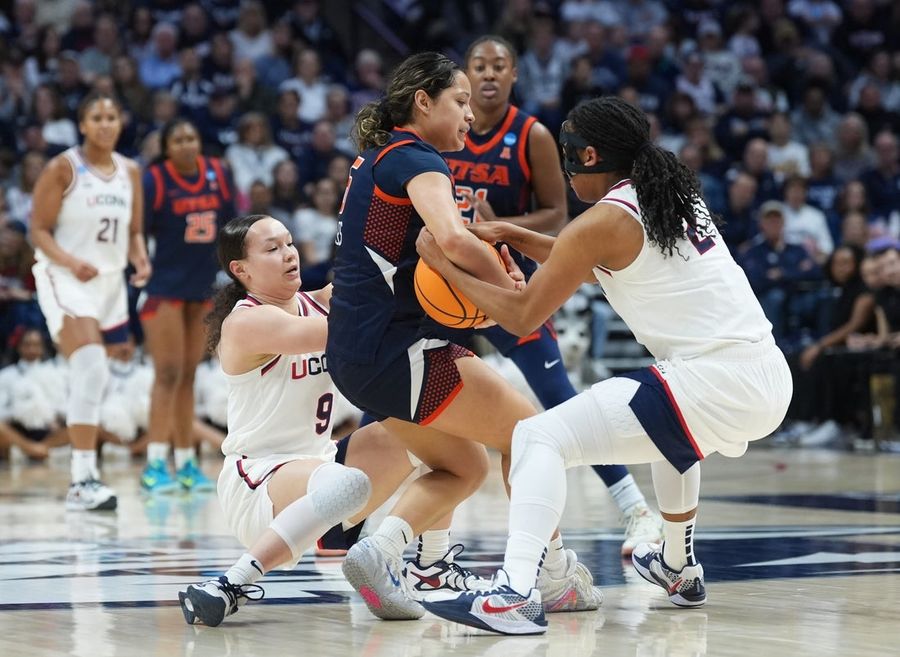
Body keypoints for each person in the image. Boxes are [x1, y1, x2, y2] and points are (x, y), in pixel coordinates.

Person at [419, 96, 792, 635]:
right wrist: (515, 234)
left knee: (536, 438)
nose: (567, 169)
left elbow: (524, 317)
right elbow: (610, 267)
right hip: (763, 375)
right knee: (670, 431)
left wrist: (443, 269)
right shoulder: (670, 192)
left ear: (589, 156)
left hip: (713, 380)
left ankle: (515, 593)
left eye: (569, 155)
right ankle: (678, 566)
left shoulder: (605, 219)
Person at [326, 52, 602, 623]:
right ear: (422, 102)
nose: (470, 117)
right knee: (531, 435)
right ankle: (549, 577)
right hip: (399, 349)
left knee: (465, 467)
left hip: (356, 356)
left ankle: (379, 553)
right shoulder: (416, 157)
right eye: (460, 101)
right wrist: (506, 278)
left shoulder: (376, 158)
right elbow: (451, 239)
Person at [177, 214, 461, 626]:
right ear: (241, 270)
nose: (288, 254)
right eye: (272, 249)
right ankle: (231, 584)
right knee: (345, 483)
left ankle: (431, 567)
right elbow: (346, 328)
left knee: (436, 437)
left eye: (289, 243)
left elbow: (380, 284)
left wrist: (441, 254)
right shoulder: (245, 321)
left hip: (324, 472)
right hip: (258, 481)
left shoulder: (318, 301)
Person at [449, 35, 662, 554]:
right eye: (480, 65)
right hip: (448, 285)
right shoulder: (446, 135)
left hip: (511, 285)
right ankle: (344, 515)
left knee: (557, 396)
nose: (490, 74)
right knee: (392, 381)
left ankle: (635, 507)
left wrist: (495, 227)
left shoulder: (532, 135)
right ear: (466, 74)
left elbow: (557, 215)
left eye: (500, 65)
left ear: (515, 74)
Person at [29, 91, 152, 511]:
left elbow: (134, 230)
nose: (104, 124)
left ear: (120, 123)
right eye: (96, 117)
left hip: (110, 283)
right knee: (91, 368)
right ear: (82, 124)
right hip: (64, 275)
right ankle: (82, 478)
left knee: (99, 374)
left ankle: (85, 470)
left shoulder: (131, 171)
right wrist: (69, 261)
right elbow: (38, 230)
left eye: (111, 117)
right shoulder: (62, 167)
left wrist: (139, 257)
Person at [139, 117, 236, 493]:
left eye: (190, 137)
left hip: (203, 287)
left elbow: (230, 226)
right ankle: (153, 465)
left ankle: (187, 464)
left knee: (190, 375)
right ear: (166, 147)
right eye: (177, 139)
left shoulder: (217, 173)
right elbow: (138, 231)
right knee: (167, 374)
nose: (185, 144)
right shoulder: (156, 180)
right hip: (163, 287)